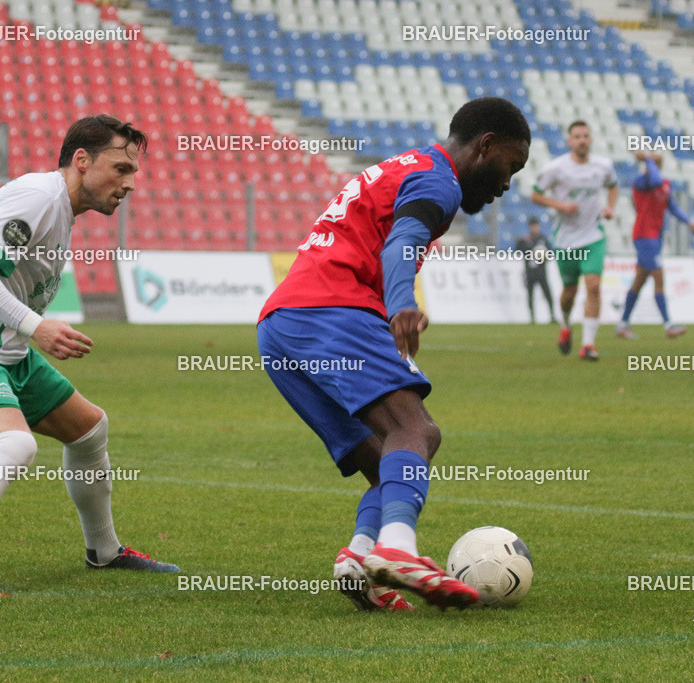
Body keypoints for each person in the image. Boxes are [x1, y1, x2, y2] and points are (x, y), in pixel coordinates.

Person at [256, 97, 530, 611]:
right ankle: (399, 551)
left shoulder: (406, 165)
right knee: (417, 431)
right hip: (331, 307)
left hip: (281, 325)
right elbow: (403, 239)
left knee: (388, 465)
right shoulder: (438, 179)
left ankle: (361, 557)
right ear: (485, 146)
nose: (508, 183)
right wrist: (402, 303)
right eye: (510, 166)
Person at [0, 115, 178, 595]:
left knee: (90, 429)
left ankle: (104, 550)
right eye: (120, 169)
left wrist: (25, 333)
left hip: (2, 349)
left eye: (132, 172)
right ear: (81, 160)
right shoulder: (39, 196)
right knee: (14, 444)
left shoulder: (60, 207)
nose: (129, 184)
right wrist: (35, 327)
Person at [530, 120, 618, 361]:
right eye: (577, 136)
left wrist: (610, 207)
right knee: (569, 291)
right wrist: (560, 205)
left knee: (593, 286)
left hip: (593, 237)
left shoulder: (604, 166)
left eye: (586, 136)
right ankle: (566, 325)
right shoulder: (556, 168)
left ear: (591, 140)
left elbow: (613, 186)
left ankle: (588, 344)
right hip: (566, 240)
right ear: (569, 141)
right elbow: (535, 194)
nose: (582, 140)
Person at [616, 152, 694, 339]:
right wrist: (647, 160)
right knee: (658, 277)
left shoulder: (665, 184)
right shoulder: (641, 182)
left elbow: (673, 207)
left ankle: (622, 324)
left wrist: (688, 221)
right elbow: (654, 179)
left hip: (656, 237)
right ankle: (669, 325)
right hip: (644, 236)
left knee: (640, 280)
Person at [515, 217, 556, 324]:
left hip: (541, 272)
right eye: (532, 226)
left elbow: (549, 253)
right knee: (530, 295)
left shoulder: (543, 239)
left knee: (547, 294)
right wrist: (521, 242)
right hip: (529, 272)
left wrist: (545, 256)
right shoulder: (525, 240)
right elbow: (517, 250)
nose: (534, 228)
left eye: (536, 226)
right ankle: (532, 318)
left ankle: (552, 316)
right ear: (529, 227)